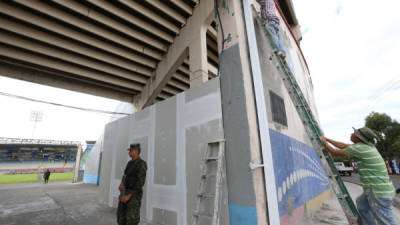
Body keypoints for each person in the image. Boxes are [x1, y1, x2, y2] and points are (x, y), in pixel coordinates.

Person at [320, 127, 396, 225]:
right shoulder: (366, 147)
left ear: (359, 137)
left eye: (354, 133)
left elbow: (334, 152)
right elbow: (344, 146)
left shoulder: (359, 148)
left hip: (377, 190)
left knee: (385, 220)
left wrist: (323, 142)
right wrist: (328, 139)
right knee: (362, 205)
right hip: (379, 188)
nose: (352, 134)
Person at [117, 143, 147, 225]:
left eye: (130, 151)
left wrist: (129, 196)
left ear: (136, 151)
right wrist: (121, 183)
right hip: (125, 192)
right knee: (121, 217)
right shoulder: (129, 163)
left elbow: (140, 182)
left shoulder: (141, 164)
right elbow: (125, 175)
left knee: (131, 219)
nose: (129, 152)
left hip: (134, 195)